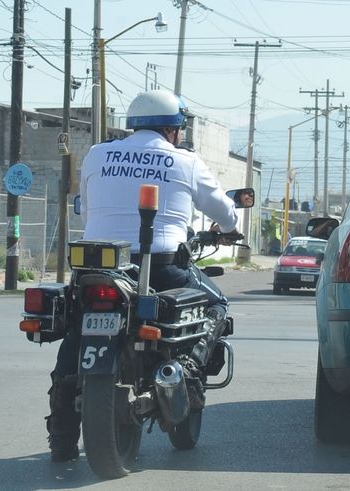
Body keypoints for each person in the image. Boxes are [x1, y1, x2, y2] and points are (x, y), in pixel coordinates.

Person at [45, 89, 239, 462]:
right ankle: (189, 371)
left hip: (98, 267)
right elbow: (226, 213)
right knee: (217, 304)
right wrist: (228, 229)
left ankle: (62, 436)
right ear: (173, 129)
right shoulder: (185, 160)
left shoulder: (97, 154)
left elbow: (87, 210)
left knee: (75, 333)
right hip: (162, 267)